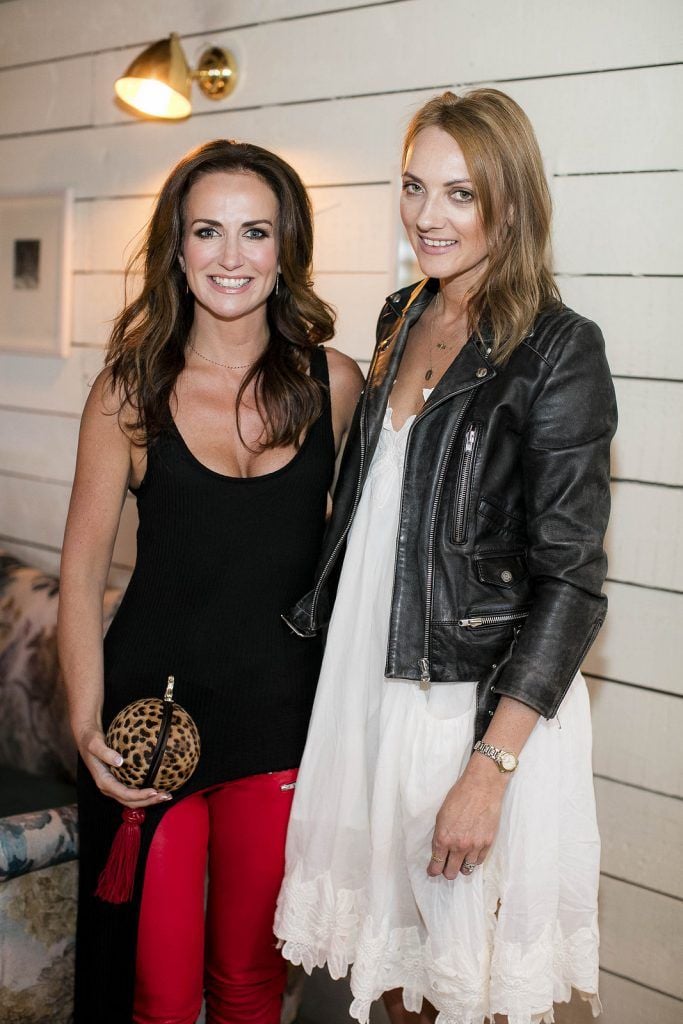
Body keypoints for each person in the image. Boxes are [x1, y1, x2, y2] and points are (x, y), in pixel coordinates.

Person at [275, 89, 617, 1024]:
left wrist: (487, 769)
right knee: (391, 983)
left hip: (470, 706)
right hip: (370, 689)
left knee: (467, 991)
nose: (428, 216)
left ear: (511, 203)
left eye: (460, 195)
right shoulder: (399, 316)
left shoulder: (557, 349)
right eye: (415, 186)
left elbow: (573, 583)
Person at [58, 139, 363, 1024]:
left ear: (284, 248)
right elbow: (79, 576)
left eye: (254, 232)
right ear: (178, 250)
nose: (231, 257)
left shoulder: (333, 384)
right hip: (153, 730)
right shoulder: (130, 392)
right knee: (153, 993)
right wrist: (84, 726)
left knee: (248, 984)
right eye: (207, 232)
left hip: (280, 726)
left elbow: (359, 560)